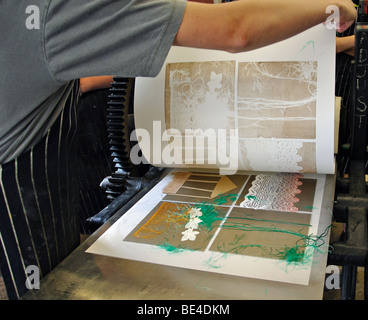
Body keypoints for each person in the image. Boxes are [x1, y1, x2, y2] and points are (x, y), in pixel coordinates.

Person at [0, 0, 357, 299]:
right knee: (47, 289)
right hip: (16, 179)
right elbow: (235, 30)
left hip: (31, 163)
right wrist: (331, 7)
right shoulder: (52, 7)